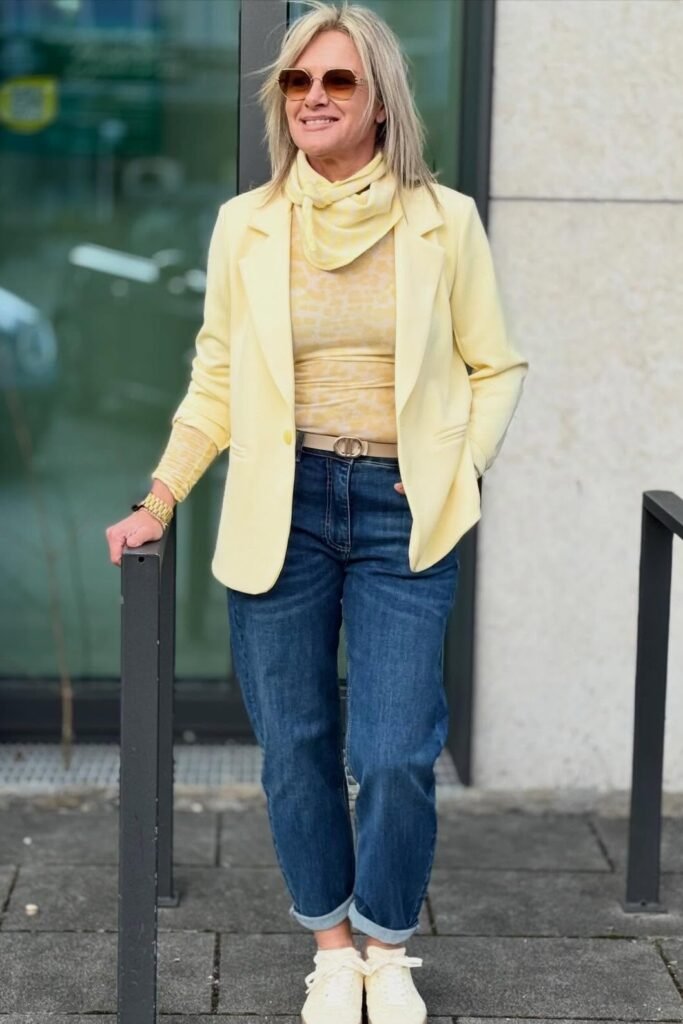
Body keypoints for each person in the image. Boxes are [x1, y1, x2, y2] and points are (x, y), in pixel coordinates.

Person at [106, 2, 528, 1022]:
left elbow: (494, 365)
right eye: (296, 82)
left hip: (398, 511)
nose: (312, 98)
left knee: (391, 749)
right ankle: (331, 946)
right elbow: (214, 378)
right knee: (293, 744)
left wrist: (453, 476)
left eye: (335, 82)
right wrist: (160, 493)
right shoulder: (244, 225)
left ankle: (388, 945)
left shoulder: (445, 219)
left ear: (378, 102)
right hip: (279, 506)